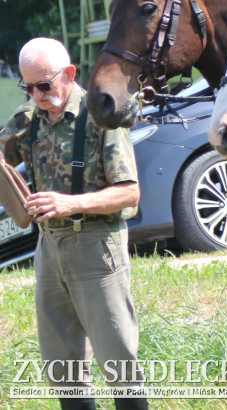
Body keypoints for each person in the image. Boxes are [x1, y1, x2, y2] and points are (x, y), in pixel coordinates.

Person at [0, 38, 147, 410]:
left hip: (96, 245)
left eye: (44, 85)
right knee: (62, 366)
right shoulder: (28, 118)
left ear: (69, 74)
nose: (36, 95)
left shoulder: (100, 117)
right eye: (27, 87)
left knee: (119, 360)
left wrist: (72, 203)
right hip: (49, 250)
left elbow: (130, 193)